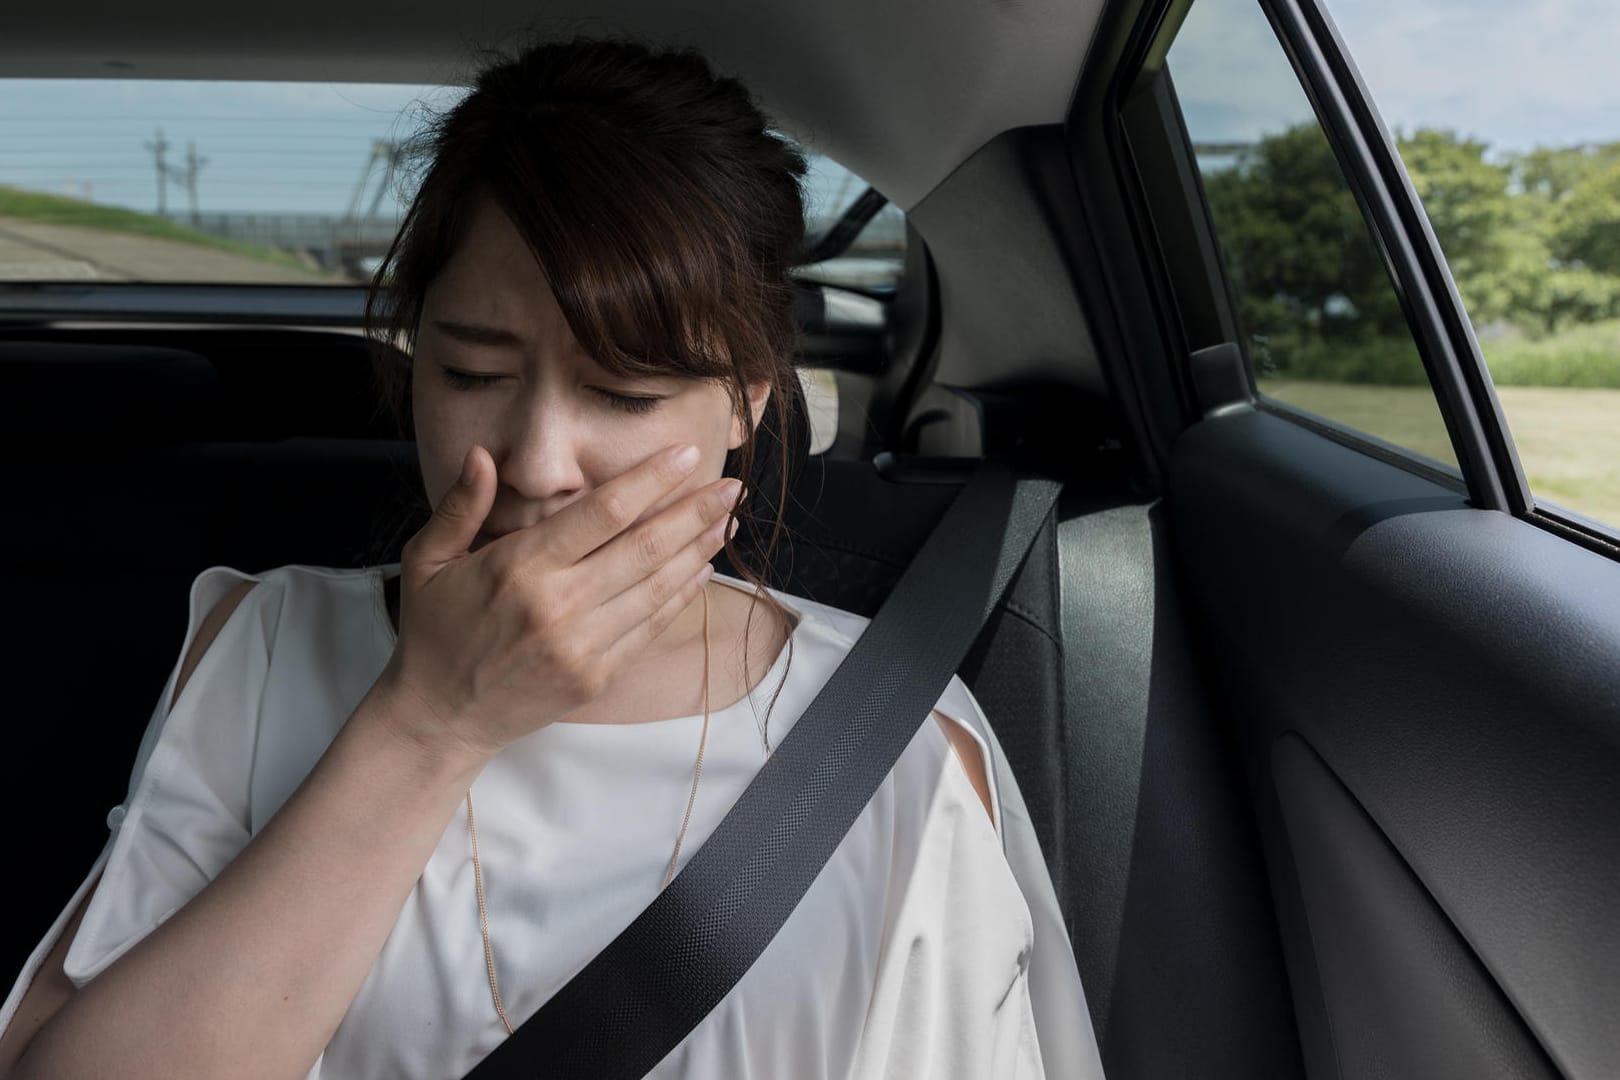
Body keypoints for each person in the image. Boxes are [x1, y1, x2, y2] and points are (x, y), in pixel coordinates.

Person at [0, 37, 1102, 1080]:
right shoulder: (264, 644)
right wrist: (431, 719)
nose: (536, 463)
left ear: (750, 401)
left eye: (623, 393)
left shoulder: (896, 744)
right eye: (474, 374)